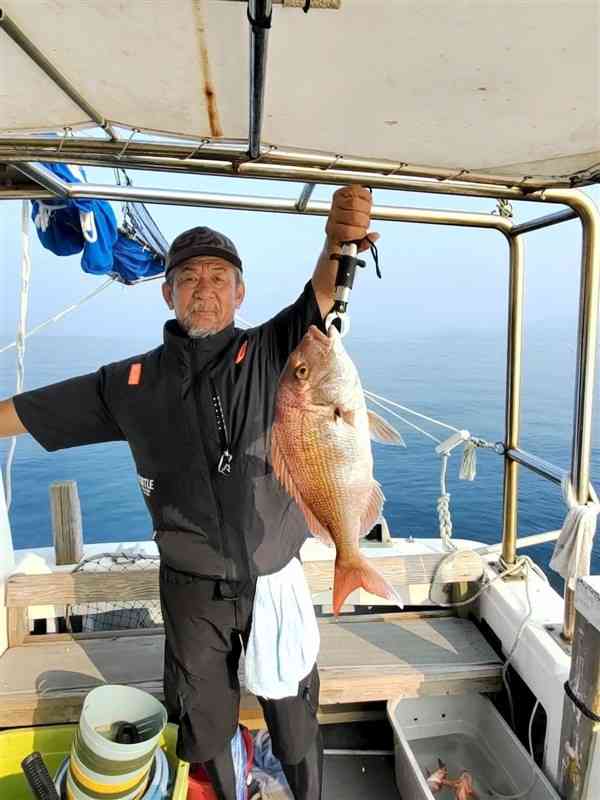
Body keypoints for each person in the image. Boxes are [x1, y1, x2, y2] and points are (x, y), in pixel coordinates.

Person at [0, 185, 378, 800]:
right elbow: (31, 409)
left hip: (274, 580)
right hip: (190, 592)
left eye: (219, 276)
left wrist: (339, 240)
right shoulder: (127, 383)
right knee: (204, 725)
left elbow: (325, 293)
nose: (205, 287)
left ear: (240, 293)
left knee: (292, 715)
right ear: (167, 291)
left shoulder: (275, 353)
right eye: (190, 277)